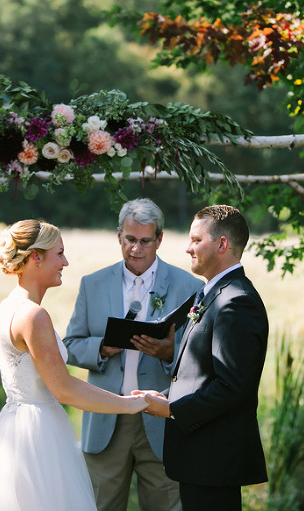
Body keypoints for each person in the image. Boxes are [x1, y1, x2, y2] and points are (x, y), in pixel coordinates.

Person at [0, 220, 148, 511]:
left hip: (17, 425)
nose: (66, 262)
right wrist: (128, 404)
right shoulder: (33, 316)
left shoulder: (9, 306)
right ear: (36, 256)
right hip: (36, 437)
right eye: (59, 253)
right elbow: (64, 389)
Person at [63, 198, 203, 511]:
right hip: (105, 419)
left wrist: (170, 353)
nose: (135, 249)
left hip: (162, 419)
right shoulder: (92, 284)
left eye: (144, 241)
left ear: (160, 240)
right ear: (118, 236)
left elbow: (200, 357)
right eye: (129, 240)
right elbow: (69, 344)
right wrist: (102, 347)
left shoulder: (189, 286)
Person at [137, 205, 269, 511]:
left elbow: (232, 386)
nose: (187, 247)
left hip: (215, 460)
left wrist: (172, 409)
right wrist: (167, 394)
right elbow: (203, 372)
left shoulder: (236, 302)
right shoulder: (214, 293)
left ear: (222, 244)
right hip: (200, 457)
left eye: (196, 240)